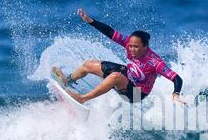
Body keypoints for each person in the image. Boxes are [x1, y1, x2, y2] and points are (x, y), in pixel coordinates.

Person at [52, 8, 185, 105]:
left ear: (145, 47)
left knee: (115, 77)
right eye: (130, 46)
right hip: (128, 77)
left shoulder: (155, 62)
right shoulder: (129, 44)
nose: (131, 49)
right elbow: (110, 32)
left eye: (136, 47)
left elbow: (176, 78)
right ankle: (67, 81)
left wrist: (176, 94)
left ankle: (82, 99)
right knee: (88, 65)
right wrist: (90, 21)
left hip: (137, 94)